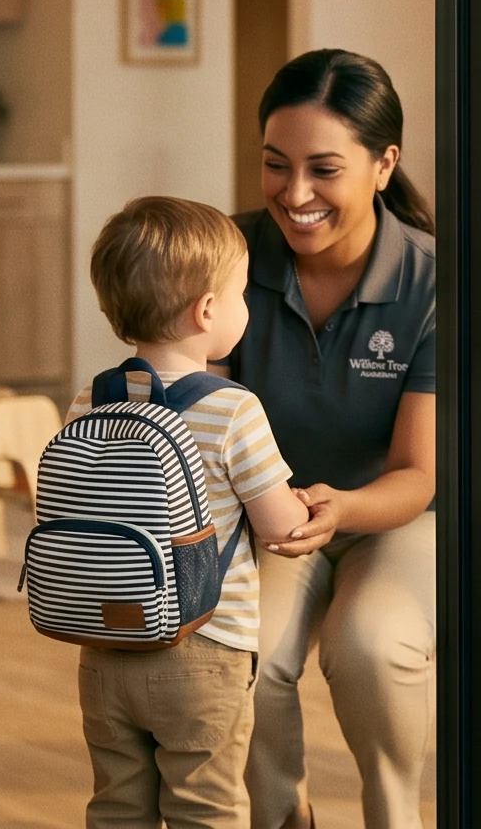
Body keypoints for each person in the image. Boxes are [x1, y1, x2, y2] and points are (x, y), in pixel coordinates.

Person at [226, 50, 439, 829]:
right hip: (270, 520)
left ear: (385, 164)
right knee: (242, 650)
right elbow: (197, 411)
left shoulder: (431, 282)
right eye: (275, 166)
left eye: (324, 169)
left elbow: (417, 473)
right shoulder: (228, 259)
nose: (296, 194)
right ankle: (283, 819)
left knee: (370, 647)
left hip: (396, 518)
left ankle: (393, 816)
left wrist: (340, 506)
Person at [71, 197, 313, 829]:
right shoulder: (233, 410)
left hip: (104, 643)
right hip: (204, 650)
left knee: (116, 806)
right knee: (205, 808)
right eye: (240, 293)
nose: (245, 306)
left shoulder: (86, 403)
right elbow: (280, 526)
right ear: (207, 311)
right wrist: (305, 509)